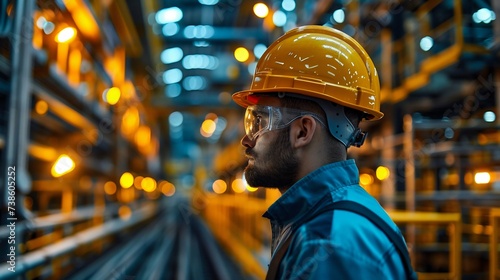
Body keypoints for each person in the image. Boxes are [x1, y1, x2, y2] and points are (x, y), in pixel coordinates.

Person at [232, 25, 417, 279]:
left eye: (260, 123)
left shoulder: (328, 244)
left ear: (303, 131)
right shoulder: (330, 219)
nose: (246, 140)